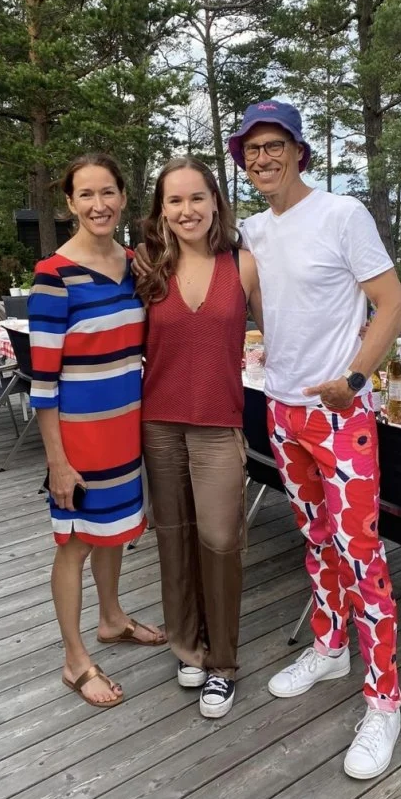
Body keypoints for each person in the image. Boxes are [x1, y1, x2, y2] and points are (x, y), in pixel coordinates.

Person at [227, 100, 401, 779]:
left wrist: (355, 377)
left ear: (299, 151)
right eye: (252, 149)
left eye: (275, 145)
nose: (263, 158)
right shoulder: (254, 230)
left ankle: (384, 701)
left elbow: (393, 303)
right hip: (282, 411)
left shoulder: (342, 214)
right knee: (317, 539)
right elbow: (230, 301)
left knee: (362, 555)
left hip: (340, 417)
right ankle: (330, 647)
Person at [29, 152, 166, 710]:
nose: (98, 204)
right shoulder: (54, 276)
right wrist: (58, 462)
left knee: (115, 531)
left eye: (107, 192)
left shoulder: (133, 264)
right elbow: (42, 383)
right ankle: (74, 659)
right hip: (80, 442)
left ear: (123, 198)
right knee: (76, 543)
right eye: (85, 194)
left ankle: (112, 618)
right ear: (70, 203)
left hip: (125, 434)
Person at [136, 156, 262, 718]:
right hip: (159, 423)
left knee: (220, 540)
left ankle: (222, 663)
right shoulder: (147, 267)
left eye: (196, 197)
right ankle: (188, 647)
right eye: (175, 200)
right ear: (161, 210)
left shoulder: (243, 264)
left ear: (215, 202)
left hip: (218, 425)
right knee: (174, 537)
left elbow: (283, 332)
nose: (186, 210)